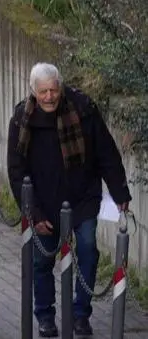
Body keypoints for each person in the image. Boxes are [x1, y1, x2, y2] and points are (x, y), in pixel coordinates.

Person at [7, 62, 132, 337]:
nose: (49, 97)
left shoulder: (83, 109)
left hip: (82, 196)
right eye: (43, 92)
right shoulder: (21, 119)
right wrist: (33, 213)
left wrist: (120, 192)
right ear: (33, 92)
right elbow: (16, 171)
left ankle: (80, 315)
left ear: (60, 88)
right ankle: (45, 315)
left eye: (53, 90)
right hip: (43, 201)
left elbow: (106, 153)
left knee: (87, 249)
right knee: (41, 261)